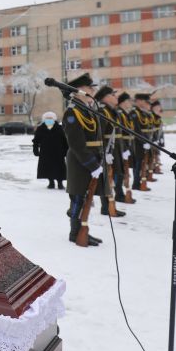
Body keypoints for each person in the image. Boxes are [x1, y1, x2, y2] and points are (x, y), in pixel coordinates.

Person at [61, 73, 103, 247]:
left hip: (91, 158)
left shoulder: (87, 111)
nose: (92, 90)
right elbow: (77, 144)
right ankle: (75, 233)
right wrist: (91, 164)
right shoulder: (72, 113)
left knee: (87, 198)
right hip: (80, 161)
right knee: (78, 198)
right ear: (78, 92)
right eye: (88, 88)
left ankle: (83, 229)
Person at [95, 86, 126, 218]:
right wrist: (103, 153)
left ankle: (109, 206)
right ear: (106, 97)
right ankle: (106, 207)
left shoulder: (111, 111)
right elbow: (99, 135)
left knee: (111, 178)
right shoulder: (103, 111)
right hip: (107, 150)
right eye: (113, 95)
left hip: (114, 149)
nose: (116, 98)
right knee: (107, 179)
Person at [31, 111, 67, 189]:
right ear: (44, 119)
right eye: (47, 118)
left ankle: (60, 183)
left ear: (54, 119)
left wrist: (66, 151)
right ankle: (51, 182)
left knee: (59, 168)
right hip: (45, 152)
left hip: (58, 152)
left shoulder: (60, 128)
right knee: (47, 168)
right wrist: (35, 150)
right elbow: (36, 140)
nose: (49, 120)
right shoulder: (41, 128)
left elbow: (65, 140)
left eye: (50, 118)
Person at [114, 93, 135, 204]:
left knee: (123, 171)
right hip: (121, 146)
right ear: (123, 102)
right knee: (119, 172)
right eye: (128, 101)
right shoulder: (120, 114)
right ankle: (118, 193)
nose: (130, 103)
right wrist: (124, 148)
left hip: (126, 145)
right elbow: (120, 133)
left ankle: (120, 193)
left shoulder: (126, 114)